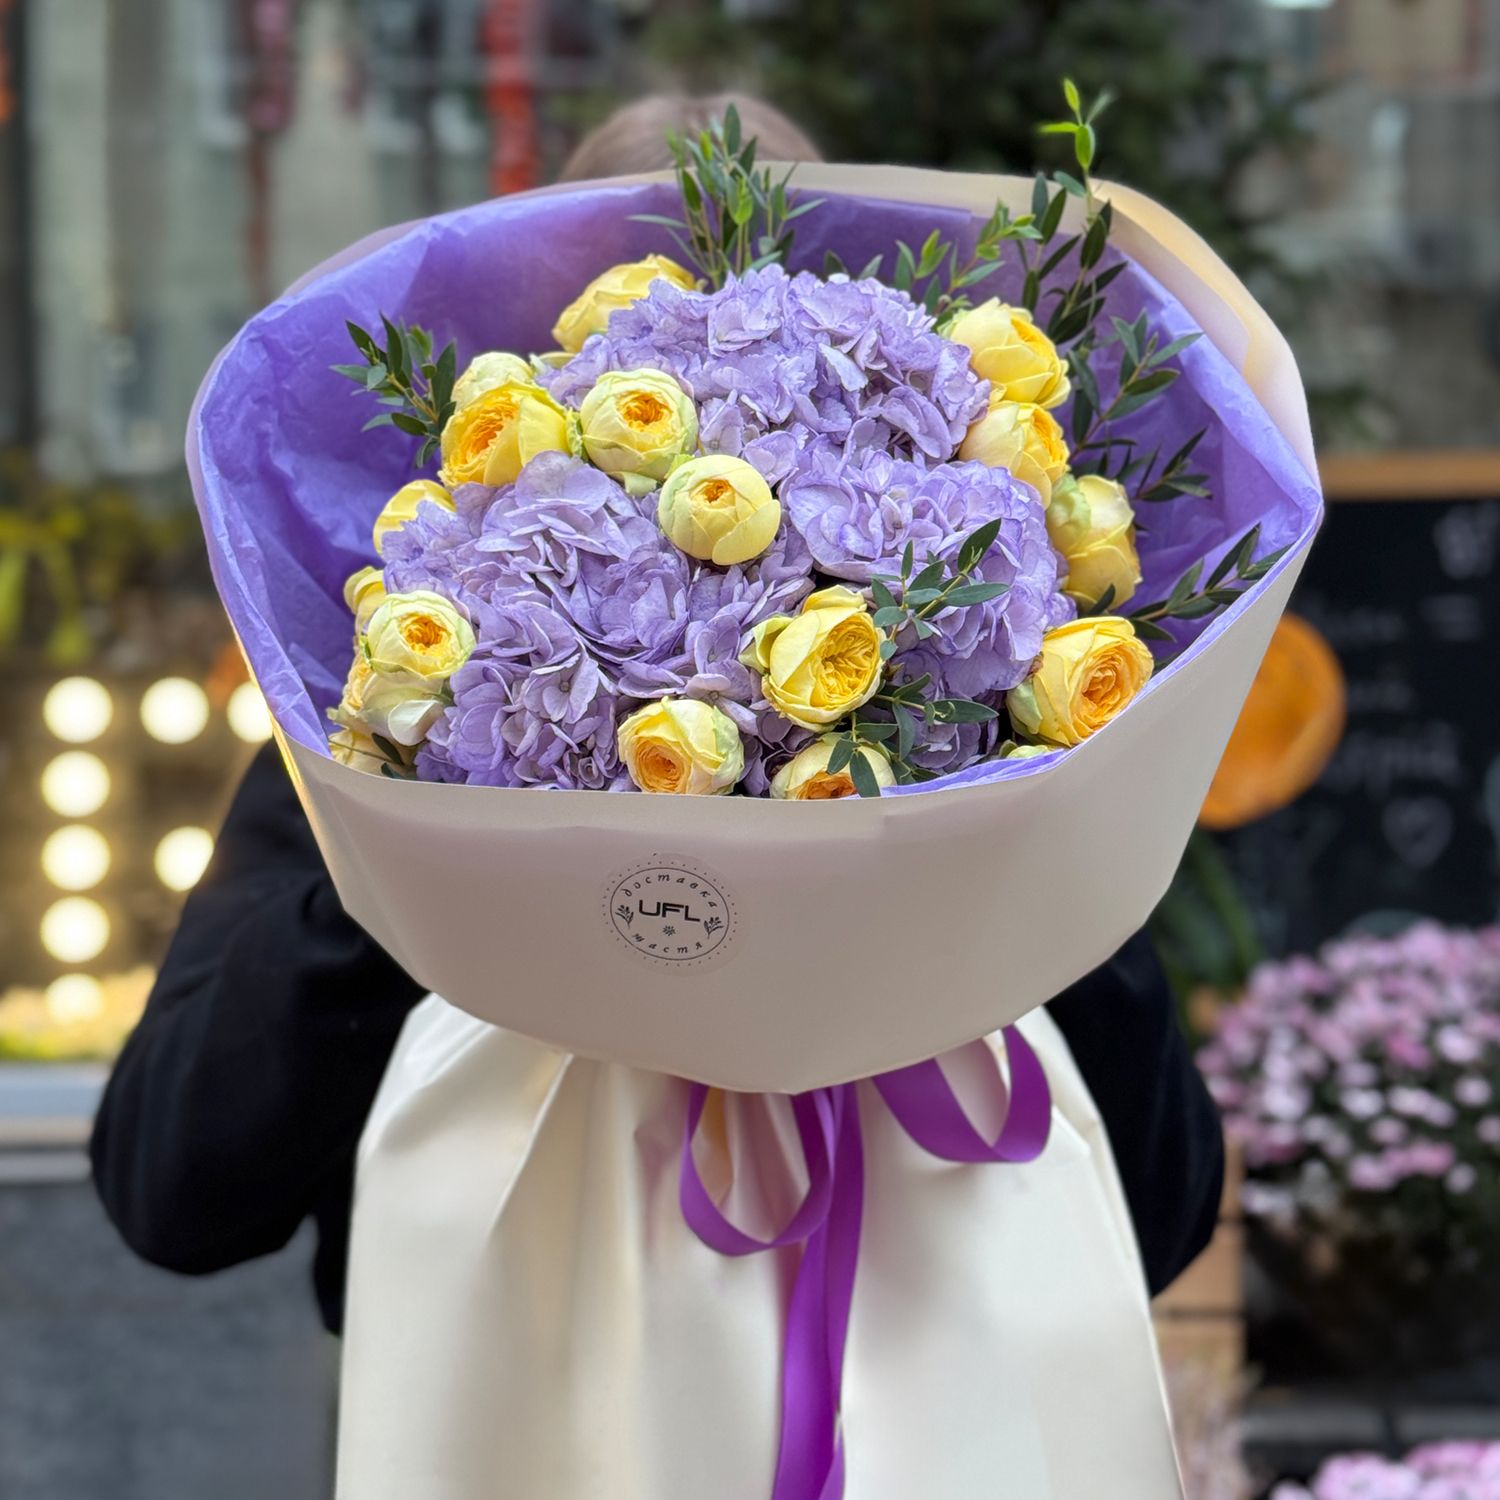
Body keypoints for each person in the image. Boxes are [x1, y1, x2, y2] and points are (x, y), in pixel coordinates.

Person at [90, 93, 1223, 1337]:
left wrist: (1020, 831)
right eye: (648, 349)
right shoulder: (394, 726)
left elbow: (1160, 1213)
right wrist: (413, 855)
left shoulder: (982, 735)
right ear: (545, 380)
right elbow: (171, 1190)